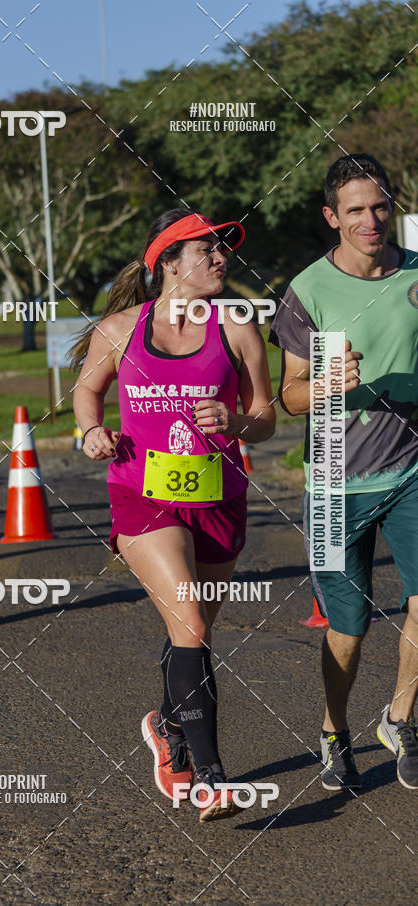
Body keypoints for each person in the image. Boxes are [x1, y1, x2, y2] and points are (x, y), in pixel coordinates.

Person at [72, 209, 275, 821]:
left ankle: (167, 724)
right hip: (143, 495)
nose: (220, 260)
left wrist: (235, 423)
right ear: (168, 264)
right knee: (190, 623)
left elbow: (265, 416)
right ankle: (212, 777)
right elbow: (87, 389)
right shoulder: (120, 329)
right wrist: (90, 432)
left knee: (194, 631)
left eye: (220, 250)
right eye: (206, 251)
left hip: (219, 497)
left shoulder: (236, 327)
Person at [269, 153, 418, 792]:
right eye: (354, 210)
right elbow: (288, 397)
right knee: (348, 628)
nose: (370, 219)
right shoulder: (307, 292)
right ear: (333, 217)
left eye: (379, 206)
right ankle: (334, 728)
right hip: (335, 479)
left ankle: (400, 717)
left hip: (412, 467)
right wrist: (326, 381)